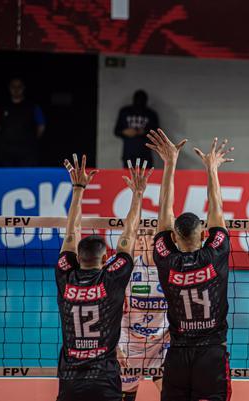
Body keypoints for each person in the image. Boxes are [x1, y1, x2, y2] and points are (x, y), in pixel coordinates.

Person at [55, 155, 151, 401]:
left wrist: (78, 189)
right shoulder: (113, 277)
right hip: (104, 378)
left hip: (70, 379)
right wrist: (138, 193)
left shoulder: (65, 275)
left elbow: (71, 232)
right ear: (106, 256)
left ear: (77, 256)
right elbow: (128, 236)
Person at [148, 129, 233, 401]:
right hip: (212, 353)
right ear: (204, 233)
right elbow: (217, 208)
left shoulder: (165, 257)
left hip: (178, 353)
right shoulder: (216, 252)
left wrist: (170, 163)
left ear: (174, 237)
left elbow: (164, 211)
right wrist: (212, 168)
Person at [118, 228, 169, 400]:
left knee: (172, 393)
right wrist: (117, 347)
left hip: (161, 344)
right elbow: (111, 312)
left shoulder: (172, 267)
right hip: (130, 345)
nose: (153, 236)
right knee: (127, 395)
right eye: (148, 233)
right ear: (140, 240)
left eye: (156, 232)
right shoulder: (127, 270)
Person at [0, 78, 46, 166]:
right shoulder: (2, 106)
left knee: (28, 177)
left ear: (23, 88)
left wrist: (30, 140)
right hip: (6, 152)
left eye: (19, 87)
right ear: (9, 88)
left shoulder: (33, 106)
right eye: (13, 86)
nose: (16, 89)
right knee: (7, 177)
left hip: (27, 152)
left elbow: (41, 126)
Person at [114, 90, 160, 168]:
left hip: (145, 154)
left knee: (146, 177)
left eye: (141, 100)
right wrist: (124, 132)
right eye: (138, 100)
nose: (139, 102)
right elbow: (116, 131)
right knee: (129, 176)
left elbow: (157, 133)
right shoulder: (125, 112)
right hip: (129, 153)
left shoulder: (151, 114)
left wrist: (144, 132)